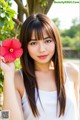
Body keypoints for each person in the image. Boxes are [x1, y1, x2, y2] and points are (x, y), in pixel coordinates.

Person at [0, 13, 79, 120]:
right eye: (33, 43)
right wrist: (8, 75)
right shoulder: (17, 79)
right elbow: (5, 117)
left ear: (56, 42)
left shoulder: (72, 72)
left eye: (48, 41)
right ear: (25, 46)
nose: (42, 49)